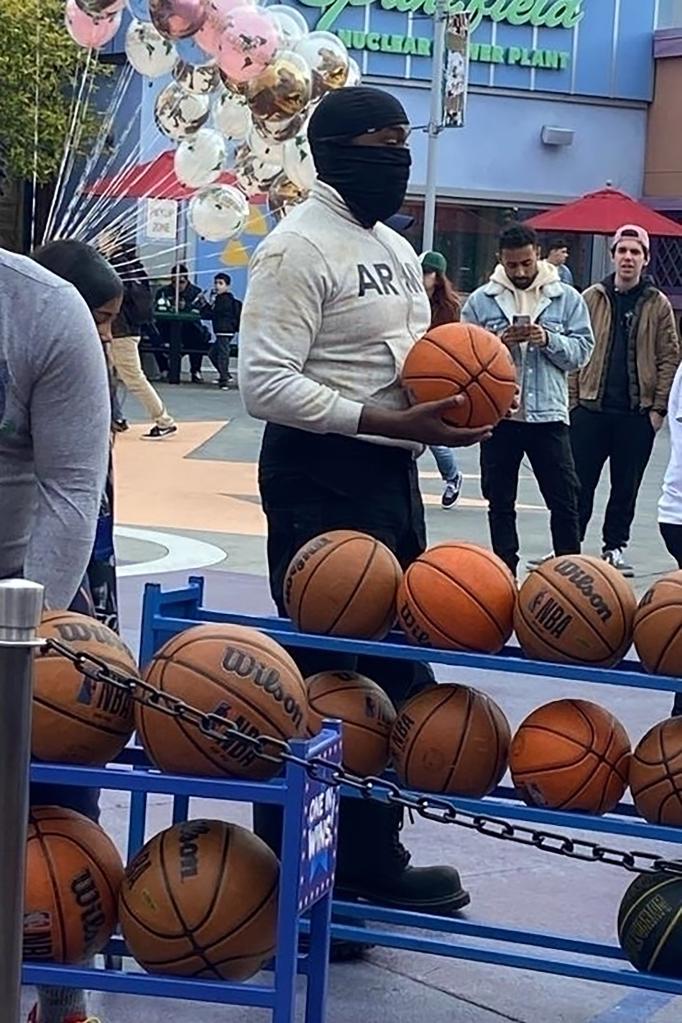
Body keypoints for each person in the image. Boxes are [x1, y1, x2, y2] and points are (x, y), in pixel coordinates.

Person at [239, 86, 494, 933]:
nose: (400, 158)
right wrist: (386, 418)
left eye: (405, 143)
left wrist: (449, 351)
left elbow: (396, 363)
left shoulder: (387, 241)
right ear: (339, 148)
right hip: (320, 475)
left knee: (392, 667)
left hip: (389, 474)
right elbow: (263, 383)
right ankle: (295, 882)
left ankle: (369, 859)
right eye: (385, 144)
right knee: (324, 682)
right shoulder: (294, 248)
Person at [0, 241, 117, 1023]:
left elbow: (74, 491)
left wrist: (15, 637)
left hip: (27, 606)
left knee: (53, 817)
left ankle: (64, 999)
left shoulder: (43, 309)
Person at [461, 222, 594, 576]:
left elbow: (582, 353)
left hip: (548, 414)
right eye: (512, 265)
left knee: (565, 498)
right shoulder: (481, 300)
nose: (519, 272)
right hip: (500, 415)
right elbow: (465, 356)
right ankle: (504, 571)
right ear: (499, 261)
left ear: (538, 255)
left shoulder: (566, 298)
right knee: (499, 499)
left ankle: (569, 571)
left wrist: (547, 339)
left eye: (525, 264)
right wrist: (496, 344)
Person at [571, 224, 680, 574]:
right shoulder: (592, 297)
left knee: (625, 488)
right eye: (623, 251)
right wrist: (573, 399)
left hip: (636, 414)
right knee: (578, 483)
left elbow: (669, 356)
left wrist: (658, 409)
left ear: (645, 259)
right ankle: (569, 548)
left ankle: (614, 547)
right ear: (613, 254)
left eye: (636, 252)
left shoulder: (657, 304)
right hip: (590, 408)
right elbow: (576, 350)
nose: (628, 258)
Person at [105, 243, 177, 439]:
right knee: (107, 376)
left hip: (121, 332)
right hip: (129, 329)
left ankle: (164, 421)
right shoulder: (135, 267)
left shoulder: (114, 266)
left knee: (134, 379)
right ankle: (114, 418)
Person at [420, 249, 463, 508]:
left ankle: (452, 476)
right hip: (410, 369)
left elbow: (454, 343)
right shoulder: (409, 298)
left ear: (438, 277)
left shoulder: (449, 307)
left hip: (435, 372)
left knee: (432, 434)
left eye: (427, 272)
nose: (422, 277)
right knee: (403, 434)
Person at [155, 263, 210, 383]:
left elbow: (204, 312)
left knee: (199, 339)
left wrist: (188, 306)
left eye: (181, 282)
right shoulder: (164, 292)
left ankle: (195, 370)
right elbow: (156, 308)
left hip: (189, 329)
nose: (178, 286)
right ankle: (164, 369)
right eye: (174, 282)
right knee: (155, 337)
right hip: (168, 327)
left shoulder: (196, 292)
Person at [207, 272, 242, 389]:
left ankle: (224, 379)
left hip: (224, 329)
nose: (217, 286)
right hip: (222, 330)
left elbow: (215, 312)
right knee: (213, 353)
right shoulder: (220, 299)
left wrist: (210, 304)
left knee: (223, 354)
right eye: (216, 283)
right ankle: (225, 374)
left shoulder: (224, 300)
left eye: (220, 283)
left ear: (227, 286)